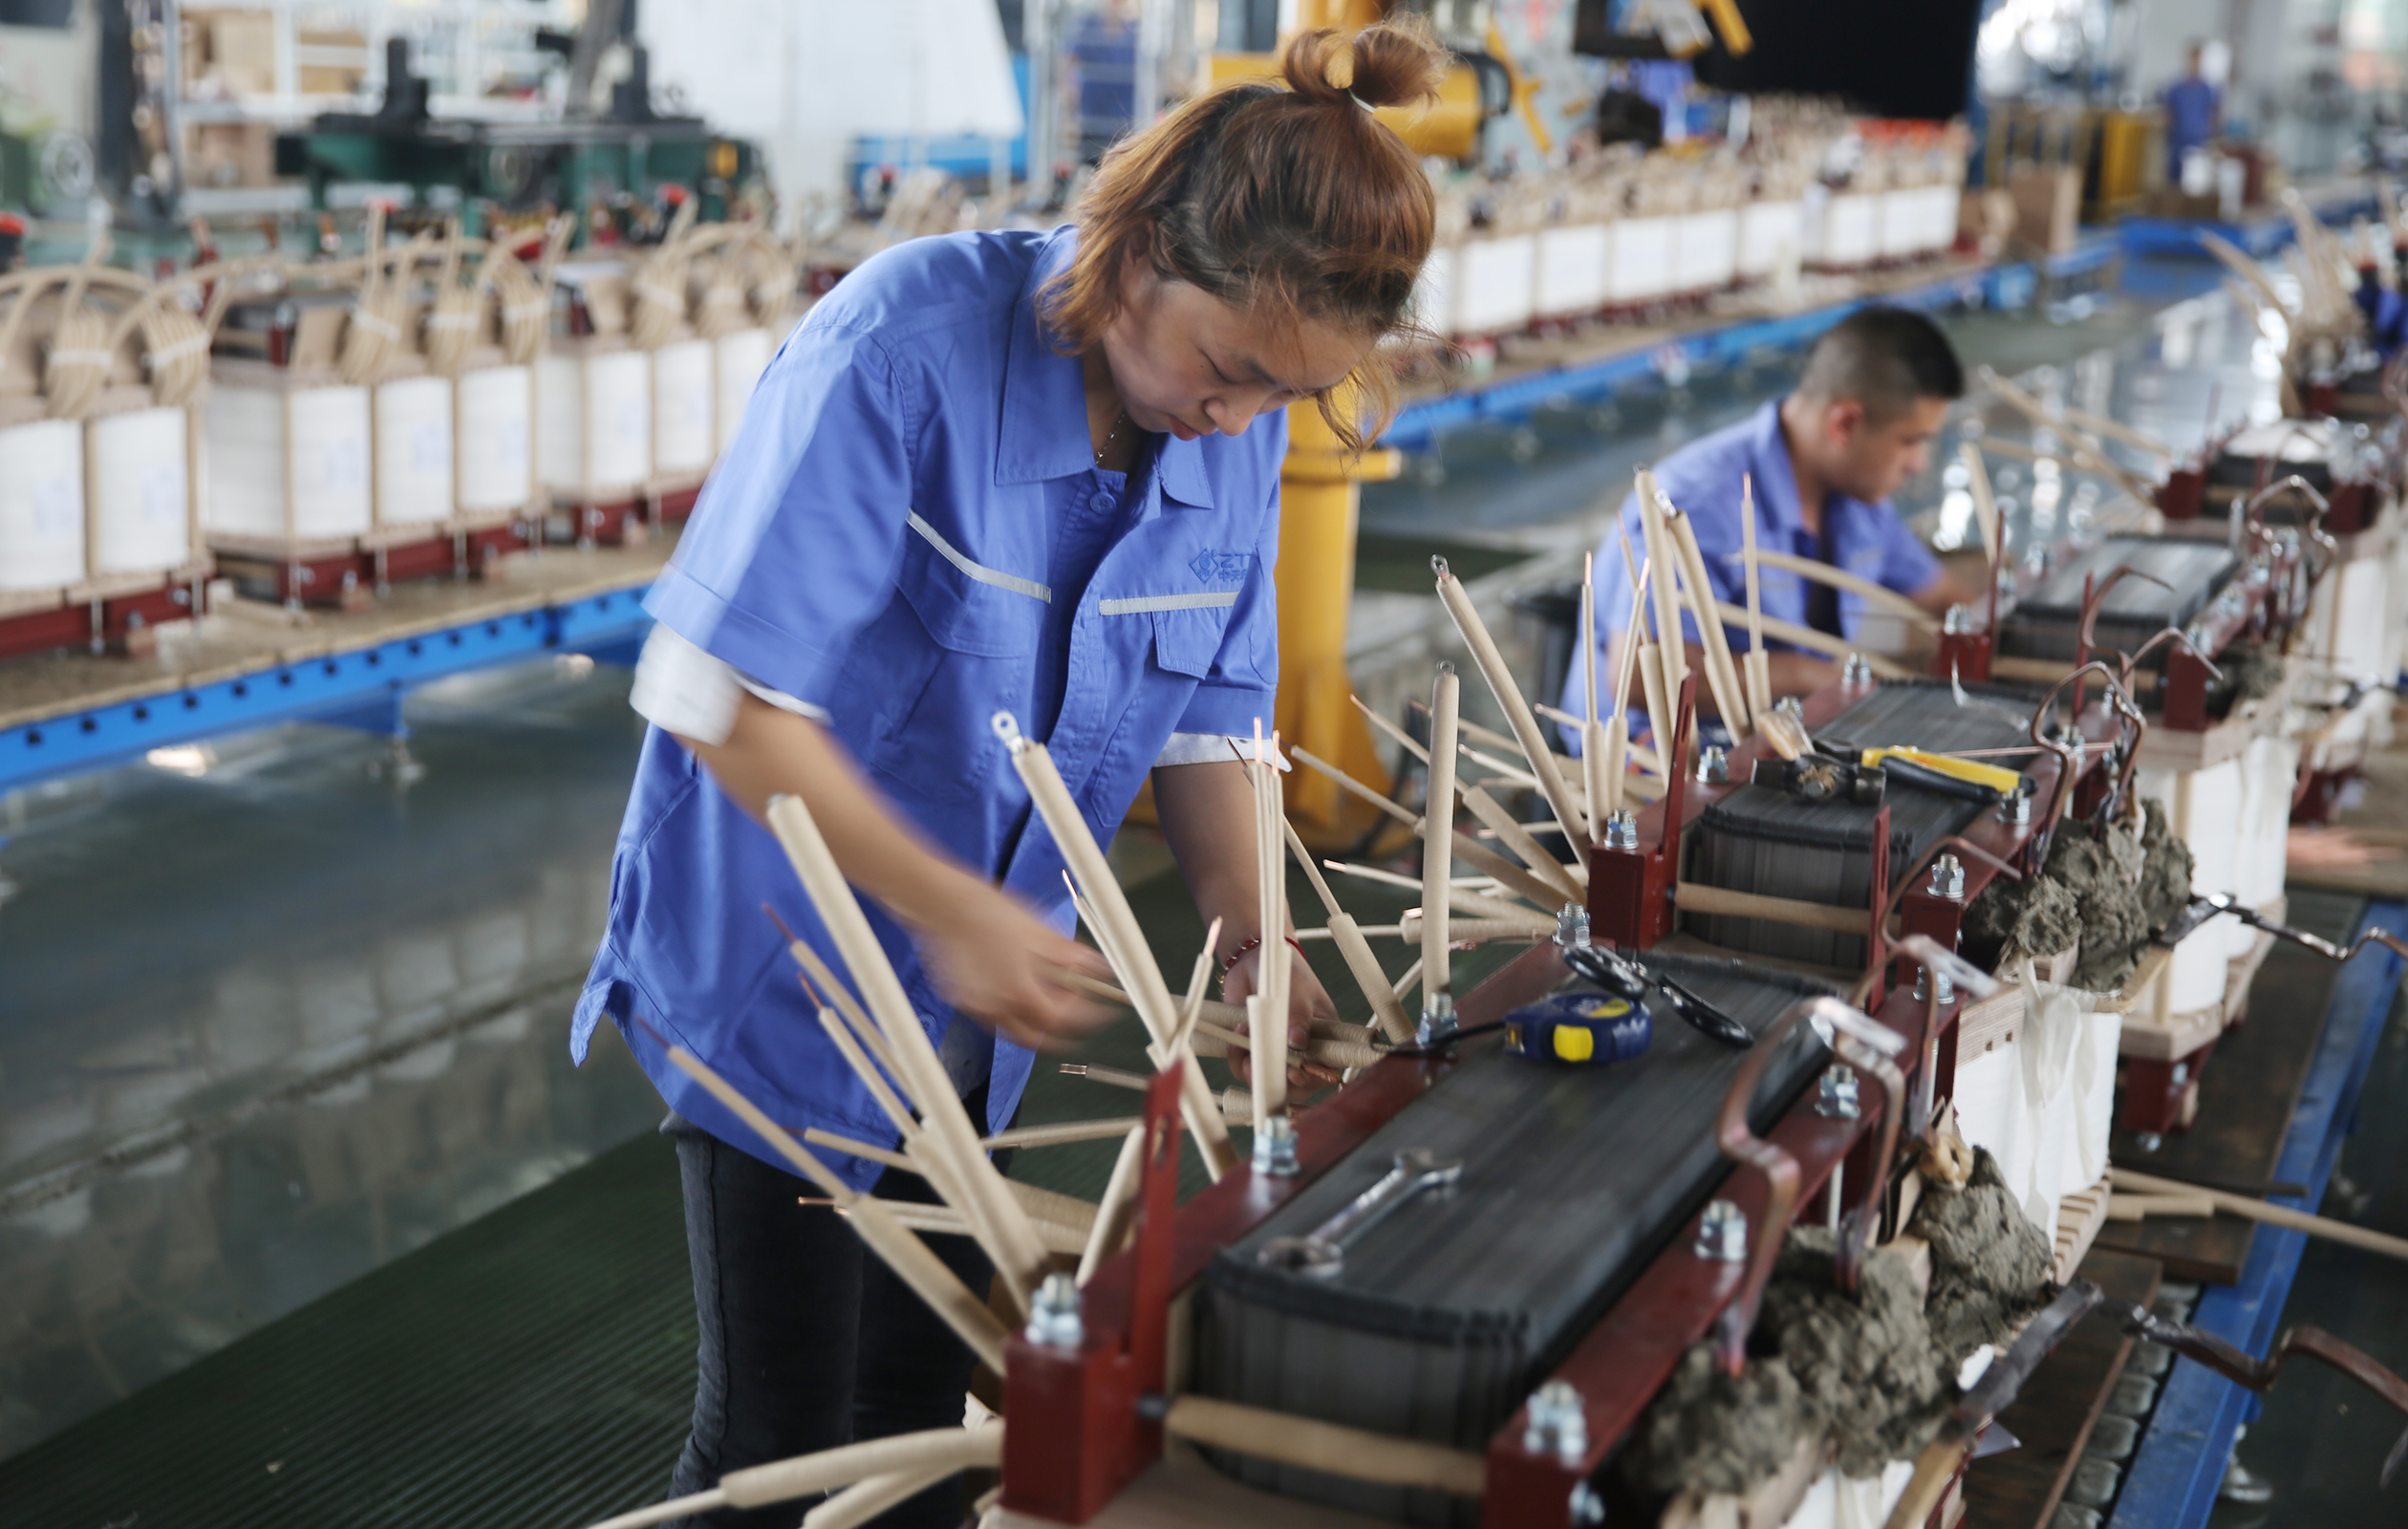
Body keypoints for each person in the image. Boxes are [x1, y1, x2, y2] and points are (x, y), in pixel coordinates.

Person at [570, 21, 1448, 1528]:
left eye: (1284, 398)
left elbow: (1210, 713)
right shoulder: (901, 350)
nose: (1238, 421)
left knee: (918, 1421)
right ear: (1138, 257)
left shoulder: (1231, 416)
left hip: (973, 1004)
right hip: (786, 964)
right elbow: (716, 698)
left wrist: (1256, 935)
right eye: (1231, 371)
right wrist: (954, 914)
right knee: (779, 1442)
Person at [1561, 306, 1975, 733]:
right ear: (1844, 424)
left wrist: (1976, 640)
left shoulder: (1858, 498)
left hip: (1780, 731)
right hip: (1659, 755)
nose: (1919, 464)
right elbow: (1636, 678)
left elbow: (1945, 597)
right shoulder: (1697, 504)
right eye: (1910, 442)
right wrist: (1806, 676)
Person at [2164, 43, 2223, 183]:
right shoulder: (2176, 88)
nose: (2195, 63)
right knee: (2174, 178)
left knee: (2194, 178)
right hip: (2178, 140)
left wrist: (2213, 137)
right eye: (2193, 59)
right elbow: (2168, 113)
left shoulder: (2207, 90)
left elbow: (2214, 114)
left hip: (2198, 140)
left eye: (2198, 60)